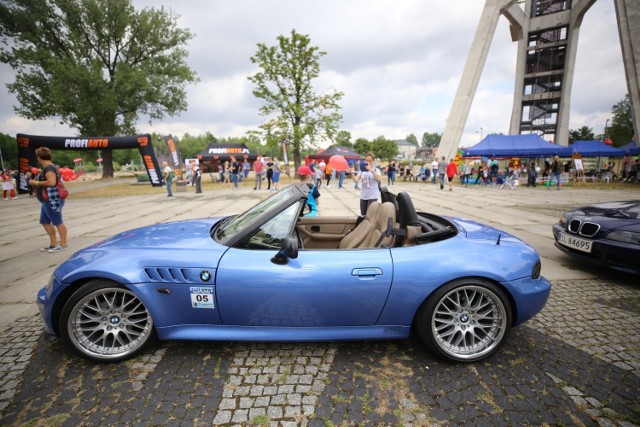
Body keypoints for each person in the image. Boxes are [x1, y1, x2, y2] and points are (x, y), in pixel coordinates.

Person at [28, 147, 68, 253]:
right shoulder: (49, 167)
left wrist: (35, 183)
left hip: (52, 199)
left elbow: (51, 182)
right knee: (45, 221)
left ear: (39, 157)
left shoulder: (49, 168)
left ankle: (63, 244)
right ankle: (53, 243)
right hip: (47, 199)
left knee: (57, 221)